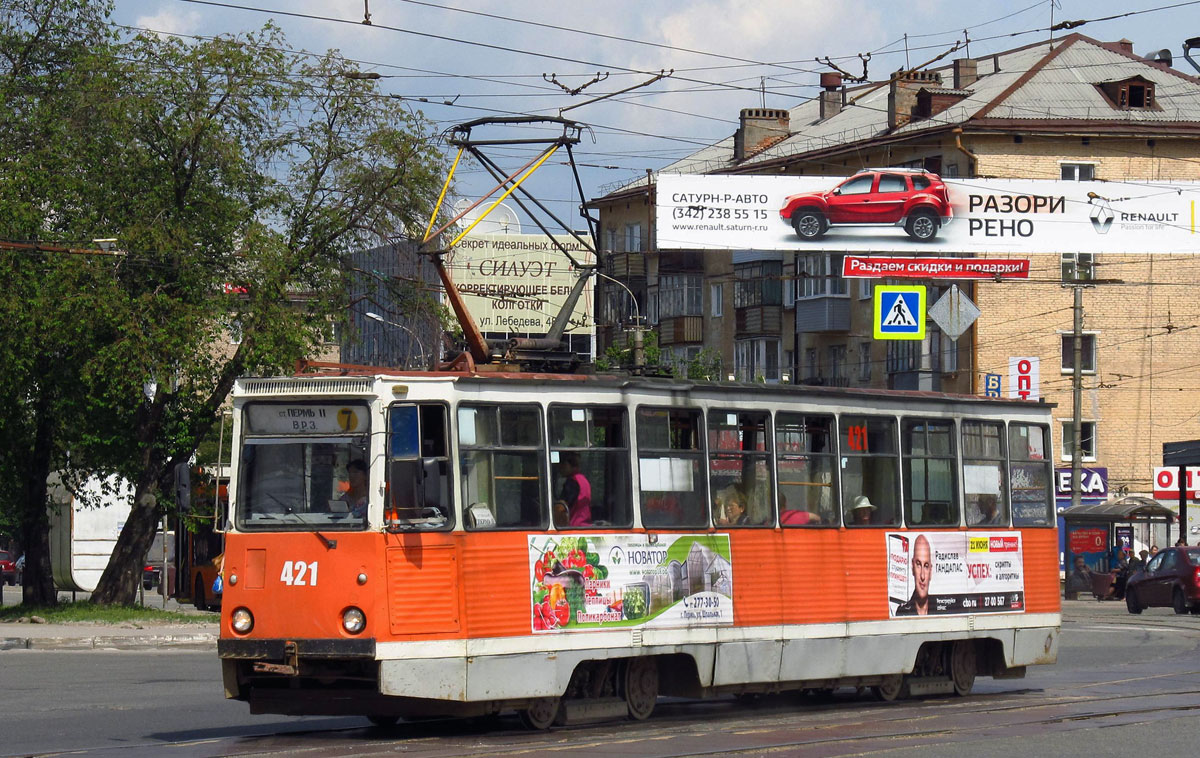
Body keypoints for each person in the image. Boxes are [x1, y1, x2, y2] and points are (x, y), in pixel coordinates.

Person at [896, 534, 934, 616]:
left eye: (926, 566)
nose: (922, 576)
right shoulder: (902, 612)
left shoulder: (941, 608)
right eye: (918, 565)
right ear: (912, 567)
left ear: (931, 572)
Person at [553, 451, 592, 527]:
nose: (559, 468)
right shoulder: (583, 480)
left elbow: (561, 507)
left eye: (562, 464)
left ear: (567, 465)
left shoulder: (572, 482)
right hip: (585, 524)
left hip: (573, 526)